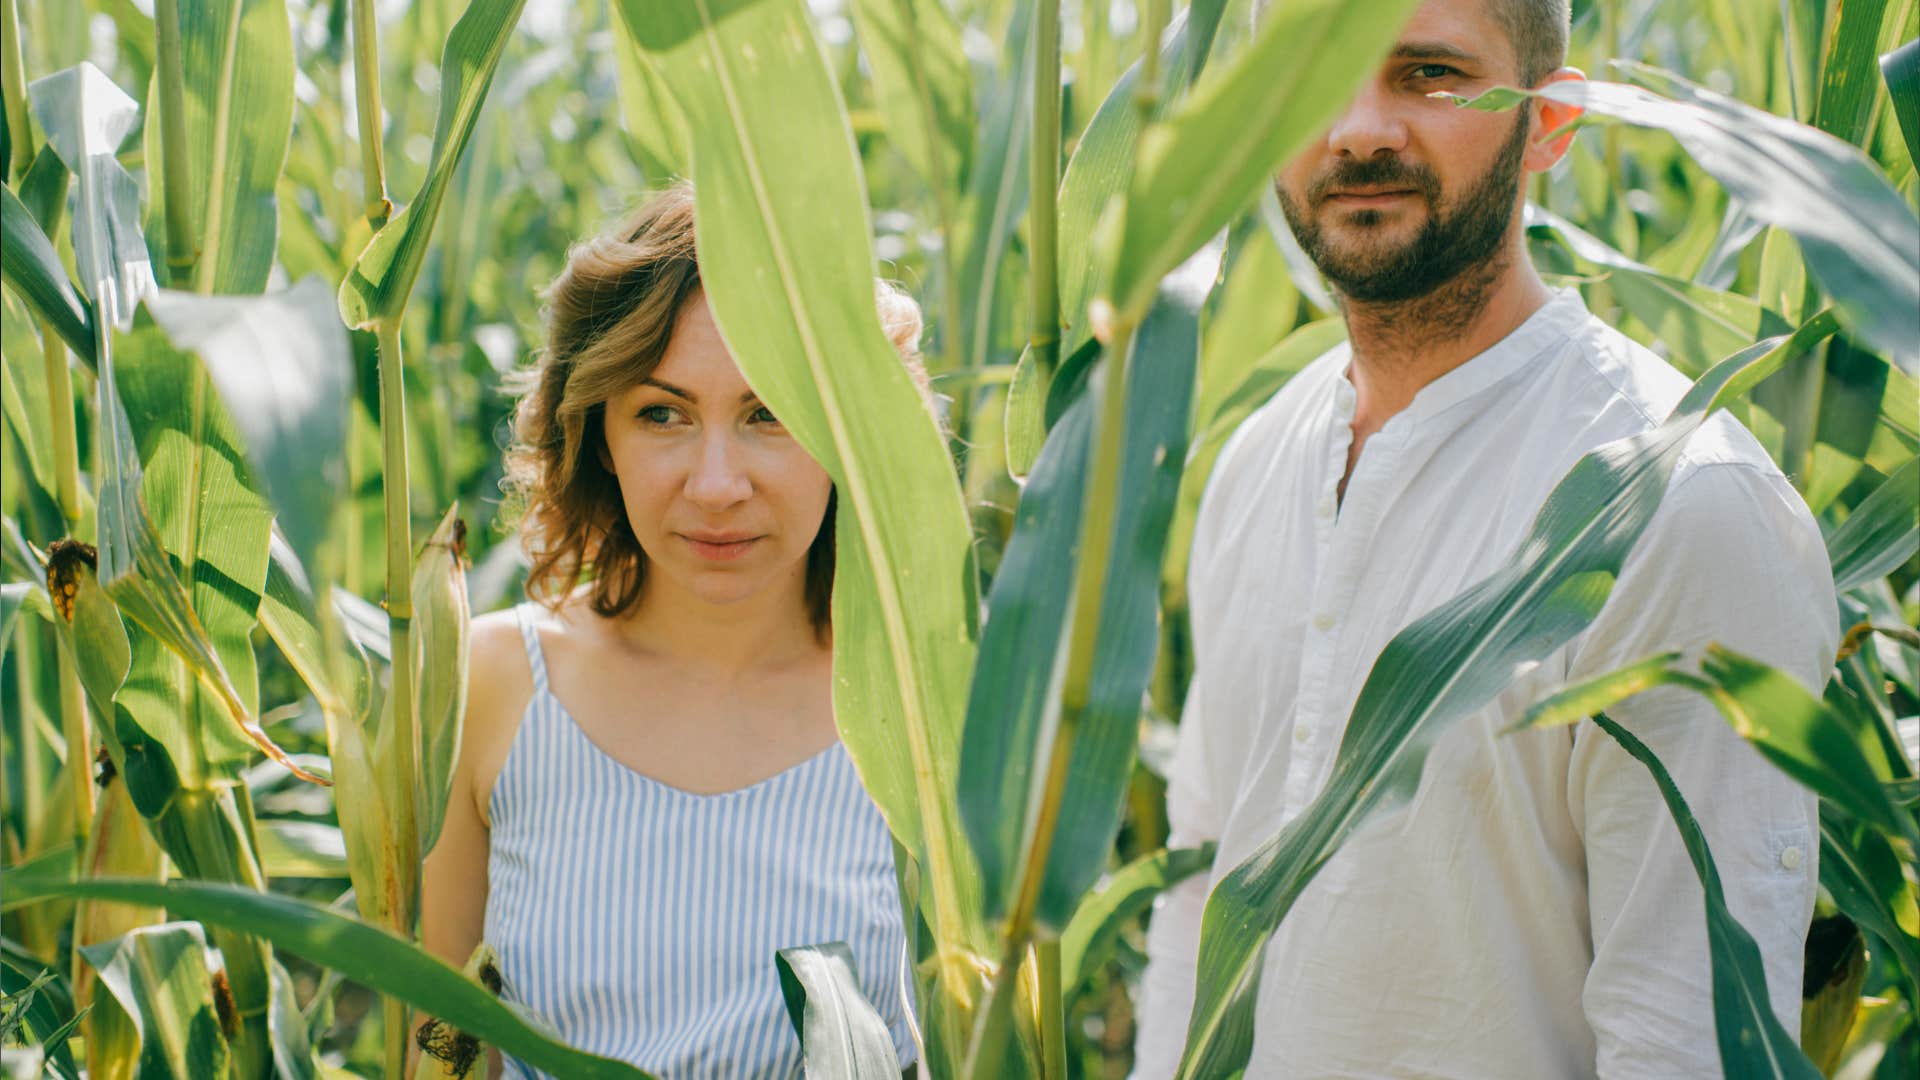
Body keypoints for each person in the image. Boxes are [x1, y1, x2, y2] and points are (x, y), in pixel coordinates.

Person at [1134, 1, 1837, 1076]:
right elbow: (1198, 903)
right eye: (1315, 72)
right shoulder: (1252, 466)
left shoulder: (1678, 508)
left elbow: (1686, 1036)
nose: (1360, 128)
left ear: (1550, 123)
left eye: (1427, 74)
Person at [421, 184, 923, 1077]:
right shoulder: (492, 685)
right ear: (600, 433)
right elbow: (436, 1047)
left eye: (769, 413)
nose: (718, 483)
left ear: (851, 430)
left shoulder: (929, 712)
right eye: (663, 413)